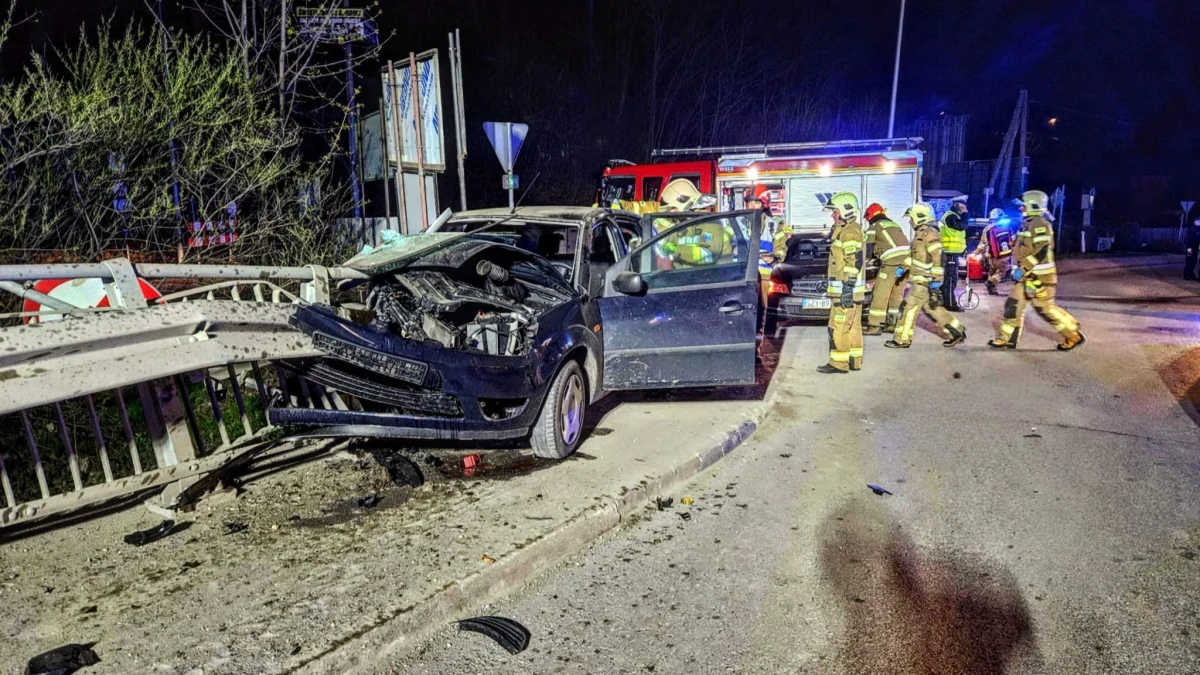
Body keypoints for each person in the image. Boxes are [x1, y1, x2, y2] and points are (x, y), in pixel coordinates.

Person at [988, 190, 1085, 351]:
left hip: (1041, 278)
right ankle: (1007, 339)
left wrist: (1023, 268)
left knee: (1045, 309)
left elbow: (1041, 251)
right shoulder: (1028, 223)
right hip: (1026, 277)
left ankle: (1073, 334)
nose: (1021, 208)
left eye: (1023, 206)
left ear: (1034, 206)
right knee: (1013, 306)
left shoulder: (1040, 223)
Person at [885, 204, 967, 349]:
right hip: (921, 280)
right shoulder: (920, 234)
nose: (910, 221)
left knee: (908, 309)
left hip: (923, 281)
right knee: (932, 308)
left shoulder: (929, 234)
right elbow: (914, 256)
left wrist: (937, 280)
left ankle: (902, 339)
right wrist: (903, 267)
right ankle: (957, 331)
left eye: (911, 218)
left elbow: (937, 258)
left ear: (919, 218)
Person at [817, 191, 866, 374]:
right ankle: (854, 360)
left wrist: (847, 287)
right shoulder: (848, 229)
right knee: (853, 326)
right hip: (852, 290)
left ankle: (839, 363)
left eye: (835, 211)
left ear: (846, 210)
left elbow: (853, 261)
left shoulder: (850, 231)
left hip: (846, 290)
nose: (832, 215)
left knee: (838, 326)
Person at [862, 203, 911, 335]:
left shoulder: (874, 226)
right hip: (907, 263)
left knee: (880, 294)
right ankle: (892, 324)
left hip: (892, 263)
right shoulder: (894, 224)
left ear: (870, 215)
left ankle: (875, 325)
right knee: (896, 294)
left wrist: (864, 262)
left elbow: (868, 249)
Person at [939, 198, 969, 310]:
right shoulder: (951, 216)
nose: (965, 209)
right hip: (950, 252)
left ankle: (942, 298)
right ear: (959, 207)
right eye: (963, 207)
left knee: (949, 279)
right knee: (951, 280)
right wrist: (965, 214)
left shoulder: (953, 216)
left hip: (952, 252)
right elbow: (962, 226)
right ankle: (950, 304)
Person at [976, 208, 1013, 295]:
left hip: (990, 256)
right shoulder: (1006, 227)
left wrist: (978, 252)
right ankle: (991, 282)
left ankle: (992, 290)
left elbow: (983, 243)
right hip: (1003, 256)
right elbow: (1012, 241)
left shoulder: (987, 229)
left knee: (991, 272)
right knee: (1001, 272)